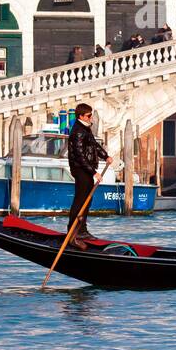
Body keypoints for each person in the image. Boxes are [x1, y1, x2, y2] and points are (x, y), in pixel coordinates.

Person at [66, 102, 110, 244]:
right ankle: (73, 230)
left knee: (87, 200)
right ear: (81, 116)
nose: (91, 118)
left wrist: (105, 155)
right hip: (80, 169)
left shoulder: (85, 129)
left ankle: (82, 230)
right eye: (89, 116)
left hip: (86, 169)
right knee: (80, 200)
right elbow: (79, 155)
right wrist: (94, 172)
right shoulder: (78, 131)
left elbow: (93, 145)